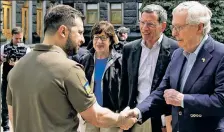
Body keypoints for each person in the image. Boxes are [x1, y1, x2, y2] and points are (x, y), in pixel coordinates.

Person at [6, 5, 136, 132]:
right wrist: (120, 119)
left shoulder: (16, 69)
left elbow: (12, 118)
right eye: (79, 32)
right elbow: (96, 116)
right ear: (63, 31)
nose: (82, 39)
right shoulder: (70, 69)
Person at [124, 1, 224, 132]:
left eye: (179, 27)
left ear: (199, 27)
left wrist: (184, 100)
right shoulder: (177, 54)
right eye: (173, 27)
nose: (173, 33)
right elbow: (162, 91)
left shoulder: (223, 55)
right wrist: (138, 112)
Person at [119, 4, 178, 132]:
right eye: (142, 22)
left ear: (162, 26)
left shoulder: (176, 50)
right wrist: (122, 115)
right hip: (134, 117)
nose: (144, 28)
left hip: (162, 119)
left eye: (150, 24)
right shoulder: (129, 49)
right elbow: (124, 86)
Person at [78, 20, 122, 132]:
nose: (99, 41)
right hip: (90, 114)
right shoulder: (85, 59)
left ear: (111, 40)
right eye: (96, 37)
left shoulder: (119, 61)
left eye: (103, 37)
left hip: (110, 115)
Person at [0, 27, 30, 132]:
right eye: (16, 38)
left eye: (20, 38)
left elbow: (28, 67)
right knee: (5, 105)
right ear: (12, 36)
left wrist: (18, 64)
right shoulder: (4, 47)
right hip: (6, 81)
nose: (18, 41)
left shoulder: (27, 49)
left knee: (20, 105)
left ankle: (19, 126)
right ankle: (6, 127)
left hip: (20, 82)